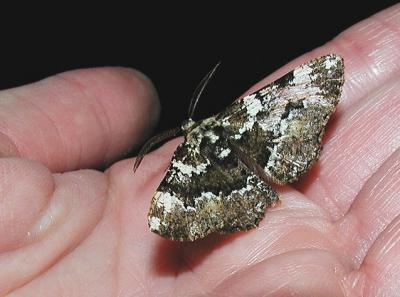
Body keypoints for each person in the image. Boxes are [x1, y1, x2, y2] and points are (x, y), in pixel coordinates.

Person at [1, 4, 400, 296]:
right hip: (271, 152)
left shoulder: (187, 159)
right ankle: (256, 188)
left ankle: (248, 196)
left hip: (248, 177)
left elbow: (321, 77)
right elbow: (167, 219)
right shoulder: (231, 122)